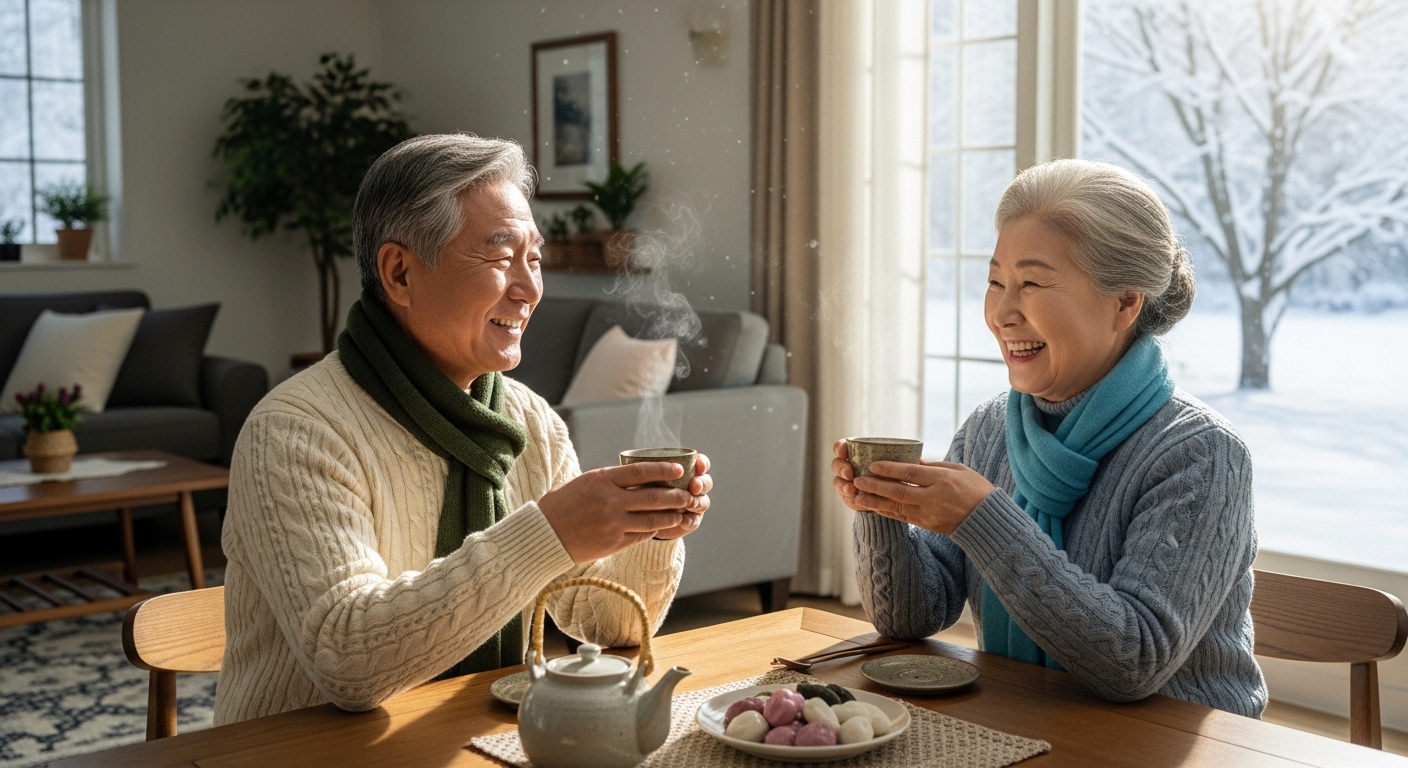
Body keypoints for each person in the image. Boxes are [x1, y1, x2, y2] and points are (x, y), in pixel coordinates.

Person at [214, 134, 712, 724]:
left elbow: (606, 625)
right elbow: (348, 660)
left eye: (534, 258)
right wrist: (548, 533)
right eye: (502, 258)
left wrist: (651, 531)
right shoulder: (294, 431)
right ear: (399, 273)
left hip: (469, 739)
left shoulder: (531, 422)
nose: (529, 290)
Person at [833, 159, 1266, 717]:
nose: (1002, 313)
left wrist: (983, 520)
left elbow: (1133, 661)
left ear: (1125, 303)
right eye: (995, 282)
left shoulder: (1202, 454)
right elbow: (914, 616)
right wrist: (880, 507)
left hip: (1178, 745)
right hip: (1031, 722)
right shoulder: (990, 429)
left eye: (1032, 283)